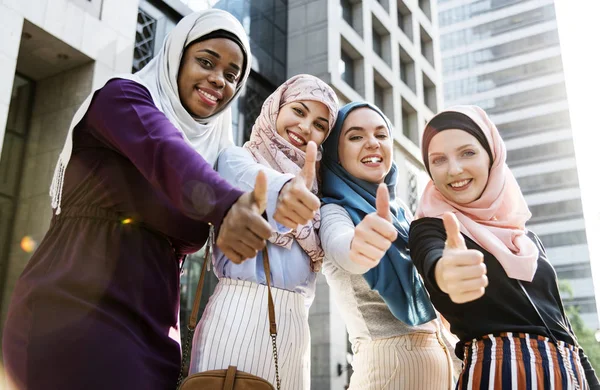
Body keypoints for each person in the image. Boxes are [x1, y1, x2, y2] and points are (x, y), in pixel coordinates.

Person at [2, 10, 272, 390]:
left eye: (231, 75)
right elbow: (166, 153)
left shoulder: (214, 153)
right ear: (177, 56)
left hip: (157, 335)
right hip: (73, 312)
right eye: (206, 62)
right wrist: (228, 204)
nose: (218, 80)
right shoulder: (122, 98)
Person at [409, 105, 600, 389]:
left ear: (492, 156)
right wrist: (445, 272)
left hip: (570, 372)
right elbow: (432, 257)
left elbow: (563, 327)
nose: (454, 169)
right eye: (438, 160)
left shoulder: (527, 240)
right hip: (501, 374)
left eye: (467, 153)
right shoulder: (432, 227)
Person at [188, 74, 339, 390]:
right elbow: (249, 182)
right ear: (276, 108)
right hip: (240, 317)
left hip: (296, 328)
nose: (306, 127)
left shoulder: (321, 187)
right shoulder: (237, 157)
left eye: (320, 124)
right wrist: (288, 191)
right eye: (298, 111)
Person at [319, 102, 453, 389]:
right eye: (355, 137)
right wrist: (359, 248)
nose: (372, 143)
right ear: (336, 154)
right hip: (386, 374)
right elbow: (341, 247)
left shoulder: (401, 213)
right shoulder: (333, 210)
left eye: (381, 135)